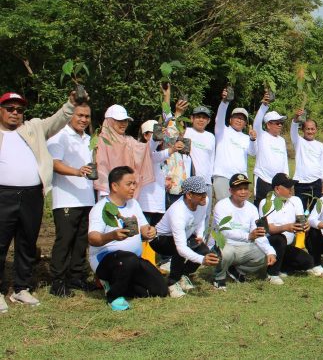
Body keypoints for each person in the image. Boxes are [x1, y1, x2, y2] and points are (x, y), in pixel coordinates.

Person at [0, 90, 77, 309]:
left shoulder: (33, 127)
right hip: (3, 195)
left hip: (32, 195)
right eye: (10, 109)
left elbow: (57, 121)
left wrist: (71, 104)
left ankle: (21, 288)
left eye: (19, 110)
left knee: (26, 242)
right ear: (1, 111)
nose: (15, 113)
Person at [87, 166, 166, 311]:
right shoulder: (100, 209)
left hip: (133, 261)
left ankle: (118, 284)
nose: (133, 188)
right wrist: (112, 236)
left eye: (134, 184)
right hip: (107, 260)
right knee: (127, 259)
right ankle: (113, 296)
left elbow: (144, 226)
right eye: (129, 184)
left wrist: (149, 231)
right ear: (115, 186)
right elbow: (93, 238)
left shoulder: (133, 204)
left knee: (160, 289)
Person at [46, 102, 97, 297]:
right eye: (80, 115)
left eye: (87, 116)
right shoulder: (59, 136)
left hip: (86, 198)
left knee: (81, 241)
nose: (83, 119)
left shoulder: (88, 139)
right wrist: (77, 172)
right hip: (67, 199)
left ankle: (77, 277)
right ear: (70, 116)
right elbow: (54, 163)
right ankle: (57, 281)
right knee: (64, 241)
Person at [150, 176, 219, 298]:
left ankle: (183, 275)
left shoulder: (204, 201)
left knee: (203, 250)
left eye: (205, 193)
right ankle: (172, 283)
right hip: (160, 240)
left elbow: (201, 218)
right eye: (201, 194)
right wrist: (202, 260)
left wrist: (199, 234)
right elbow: (181, 248)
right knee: (181, 250)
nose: (205, 196)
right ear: (189, 195)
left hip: (184, 235)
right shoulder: (178, 212)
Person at [211, 174, 276, 290]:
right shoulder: (221, 206)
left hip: (244, 247)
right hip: (226, 244)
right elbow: (225, 232)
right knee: (227, 252)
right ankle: (219, 278)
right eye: (239, 189)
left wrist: (270, 251)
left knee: (266, 255)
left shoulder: (252, 208)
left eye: (245, 189)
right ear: (231, 190)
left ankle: (236, 270)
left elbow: (258, 233)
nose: (243, 192)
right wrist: (249, 236)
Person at [258, 173, 320, 282]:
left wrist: (305, 226)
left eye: (291, 187)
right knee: (279, 238)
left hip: (287, 245)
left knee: (308, 262)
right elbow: (268, 229)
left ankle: (283, 267)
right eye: (287, 187)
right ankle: (272, 274)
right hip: (271, 244)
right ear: (277, 189)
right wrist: (286, 227)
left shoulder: (295, 201)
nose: (291, 190)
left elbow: (301, 220)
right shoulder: (266, 203)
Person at [94, 104, 155, 199]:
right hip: (109, 194)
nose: (123, 124)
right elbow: (102, 168)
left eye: (125, 120)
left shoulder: (129, 141)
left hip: (127, 194)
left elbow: (146, 149)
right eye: (119, 120)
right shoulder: (102, 141)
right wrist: (105, 196)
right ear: (109, 121)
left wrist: (155, 139)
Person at [212, 87, 256, 204]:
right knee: (224, 209)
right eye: (237, 117)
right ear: (230, 119)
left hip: (240, 179)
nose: (239, 120)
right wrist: (225, 102)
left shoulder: (247, 138)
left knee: (239, 211)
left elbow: (253, 153)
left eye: (242, 119)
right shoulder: (222, 131)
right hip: (223, 176)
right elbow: (219, 117)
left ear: (245, 123)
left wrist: (253, 139)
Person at [137, 119, 185, 226]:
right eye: (155, 133)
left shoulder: (159, 153)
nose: (160, 137)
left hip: (159, 205)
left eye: (162, 134)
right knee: (144, 239)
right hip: (146, 205)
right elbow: (151, 152)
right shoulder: (141, 151)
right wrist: (171, 149)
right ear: (145, 135)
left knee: (155, 240)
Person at [181, 103, 216, 233]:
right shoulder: (185, 132)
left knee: (204, 216)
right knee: (187, 215)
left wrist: (211, 180)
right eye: (198, 117)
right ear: (192, 118)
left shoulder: (211, 137)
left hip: (206, 182)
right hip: (189, 181)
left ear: (208, 121)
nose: (201, 120)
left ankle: (201, 244)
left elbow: (212, 159)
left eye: (204, 117)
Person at [252, 91, 288, 206]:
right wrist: (264, 105)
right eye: (277, 123)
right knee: (261, 207)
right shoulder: (262, 135)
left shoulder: (281, 140)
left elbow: (284, 160)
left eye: (281, 122)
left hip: (278, 183)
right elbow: (257, 122)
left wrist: (286, 177)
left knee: (277, 209)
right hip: (263, 179)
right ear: (268, 124)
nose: (280, 125)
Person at [290, 110, 323, 212]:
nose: (310, 131)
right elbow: (293, 131)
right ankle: (301, 228)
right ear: (303, 129)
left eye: (312, 129)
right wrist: (295, 119)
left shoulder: (320, 145)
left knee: (315, 212)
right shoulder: (298, 142)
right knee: (300, 211)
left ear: (316, 130)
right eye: (307, 129)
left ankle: (313, 228)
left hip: (316, 183)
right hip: (301, 183)